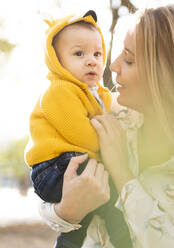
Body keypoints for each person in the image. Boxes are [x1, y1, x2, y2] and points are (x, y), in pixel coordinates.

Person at [39, 5, 174, 248]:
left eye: (129, 59)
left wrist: (123, 173)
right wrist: (66, 211)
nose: (112, 66)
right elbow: (54, 175)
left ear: (167, 75)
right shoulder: (112, 117)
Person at [24, 10, 131, 248]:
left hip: (69, 162)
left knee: (83, 219)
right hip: (54, 167)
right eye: (79, 53)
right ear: (57, 60)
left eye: (97, 53)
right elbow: (78, 132)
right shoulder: (59, 90)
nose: (92, 60)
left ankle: (68, 243)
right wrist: (108, 145)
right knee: (110, 198)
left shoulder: (96, 93)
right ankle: (125, 241)